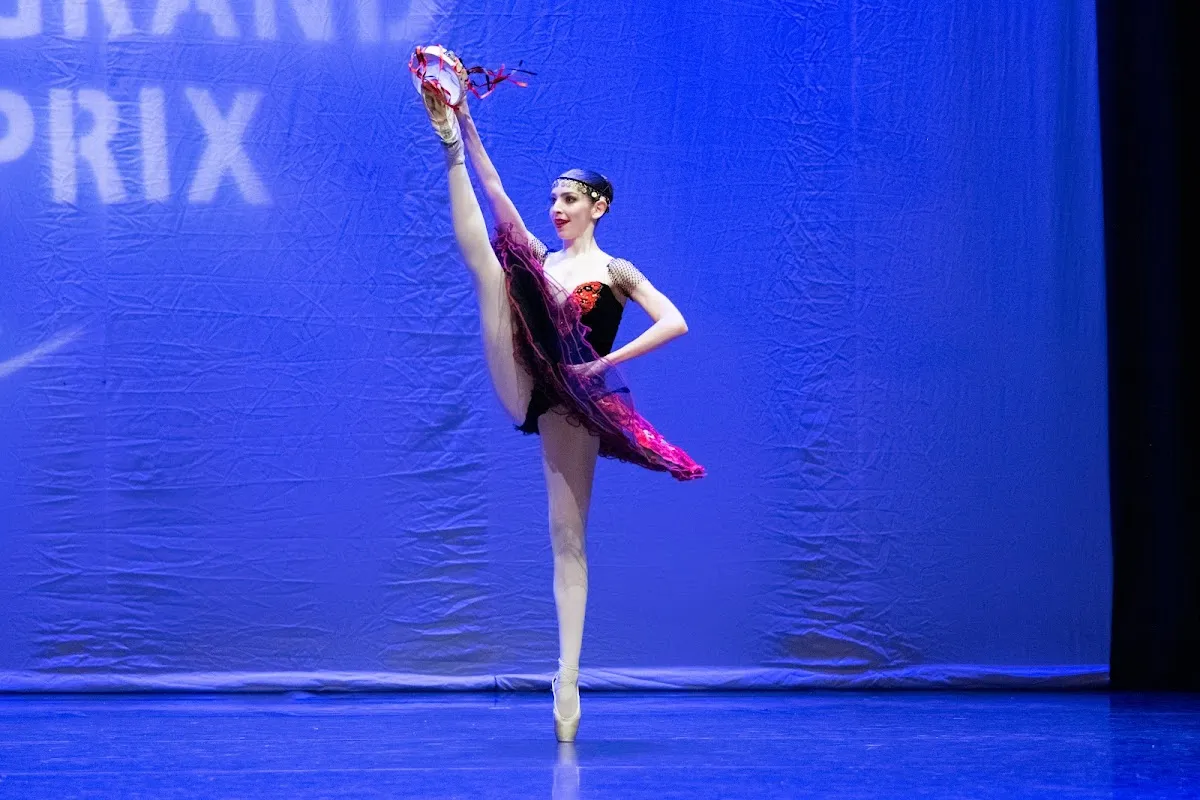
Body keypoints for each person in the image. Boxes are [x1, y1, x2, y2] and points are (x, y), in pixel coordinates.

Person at [413, 48, 704, 742]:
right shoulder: (542, 262)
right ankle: (445, 144)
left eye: (569, 199)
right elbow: (498, 194)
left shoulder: (615, 270)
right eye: (553, 200)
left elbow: (674, 320)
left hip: (574, 398)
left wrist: (604, 363)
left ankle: (567, 673)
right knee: (494, 266)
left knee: (567, 538)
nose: (556, 209)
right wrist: (463, 121)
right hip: (525, 378)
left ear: (599, 206)